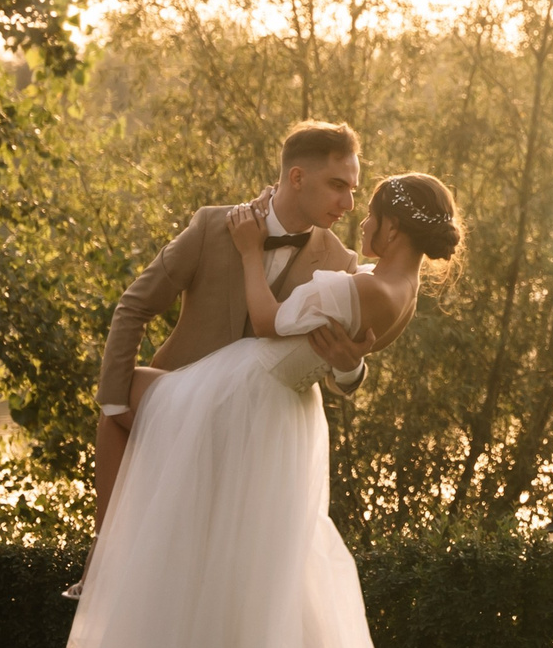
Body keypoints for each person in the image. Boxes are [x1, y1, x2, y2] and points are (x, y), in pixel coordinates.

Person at [61, 171, 462, 648]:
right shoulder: (400, 289)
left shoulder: (352, 280)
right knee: (243, 582)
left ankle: (104, 556)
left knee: (119, 404)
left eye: (371, 211)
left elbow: (267, 319)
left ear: (393, 226)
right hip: (283, 419)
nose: (358, 219)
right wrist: (349, 360)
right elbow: (348, 350)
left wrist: (251, 253)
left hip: (243, 396)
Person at [87, 121, 367, 530]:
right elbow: (134, 306)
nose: (349, 203)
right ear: (297, 177)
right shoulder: (211, 228)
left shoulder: (341, 265)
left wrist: (349, 367)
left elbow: (345, 371)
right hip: (177, 414)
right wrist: (116, 404)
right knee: (116, 413)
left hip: (259, 444)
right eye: (338, 185)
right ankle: (99, 558)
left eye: (354, 189)